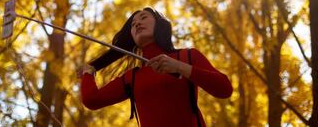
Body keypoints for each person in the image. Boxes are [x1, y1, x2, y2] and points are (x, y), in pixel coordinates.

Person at [79, 7, 232, 127]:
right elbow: (91, 100)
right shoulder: (132, 77)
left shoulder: (187, 56)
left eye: (143, 18)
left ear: (160, 24)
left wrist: (179, 67)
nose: (137, 23)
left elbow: (224, 88)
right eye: (133, 24)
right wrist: (88, 72)